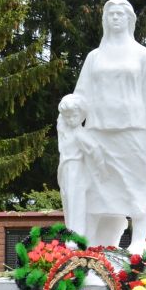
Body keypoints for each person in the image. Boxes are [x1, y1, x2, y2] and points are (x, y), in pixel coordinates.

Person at [71, 0, 146, 254]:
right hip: (98, 133)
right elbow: (81, 94)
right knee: (97, 187)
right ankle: (91, 242)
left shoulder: (142, 55)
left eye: (120, 14)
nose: (115, 18)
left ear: (129, 20)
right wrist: (70, 111)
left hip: (132, 131)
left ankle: (138, 239)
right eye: (111, 14)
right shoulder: (94, 58)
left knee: (137, 182)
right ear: (106, 20)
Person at [56, 93, 102, 236]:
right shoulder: (65, 130)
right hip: (65, 170)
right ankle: (72, 233)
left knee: (76, 203)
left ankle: (76, 237)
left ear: (82, 116)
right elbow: (60, 120)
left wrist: (100, 169)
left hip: (76, 170)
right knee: (69, 203)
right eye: (67, 117)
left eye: (74, 116)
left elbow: (95, 150)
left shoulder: (80, 134)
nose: (70, 120)